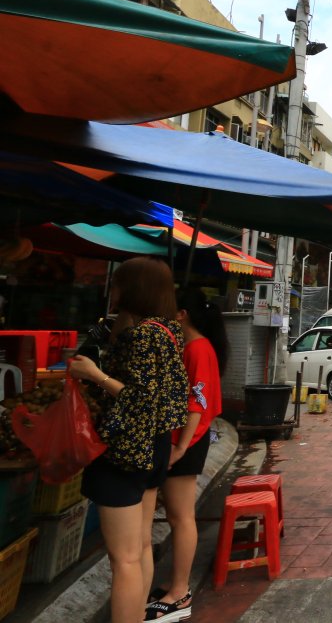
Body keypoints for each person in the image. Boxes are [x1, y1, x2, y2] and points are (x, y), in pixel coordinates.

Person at [67, 257, 188, 623]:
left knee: (124, 560)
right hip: (154, 445)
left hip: (125, 451)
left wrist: (94, 375)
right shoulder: (167, 330)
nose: (112, 291)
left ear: (132, 288)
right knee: (139, 549)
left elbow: (140, 398)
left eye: (117, 284)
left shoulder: (142, 336)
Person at [145, 288, 227, 623]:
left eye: (169, 310)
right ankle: (174, 585)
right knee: (179, 517)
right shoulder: (192, 346)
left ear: (182, 315)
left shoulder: (197, 347)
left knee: (181, 517)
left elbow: (199, 401)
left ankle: (180, 593)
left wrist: (179, 448)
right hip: (183, 441)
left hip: (187, 443)